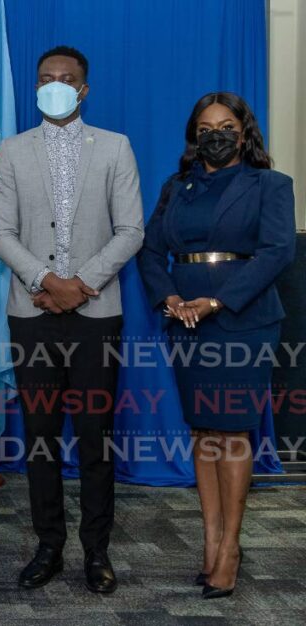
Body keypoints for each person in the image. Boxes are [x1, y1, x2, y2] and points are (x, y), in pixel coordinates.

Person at [0, 46, 144, 594]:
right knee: (40, 436)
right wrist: (44, 282)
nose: (55, 85)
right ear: (36, 86)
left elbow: (131, 230)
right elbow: (0, 233)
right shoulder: (10, 150)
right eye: (46, 78)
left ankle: (97, 552)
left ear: (84, 89)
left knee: (96, 438)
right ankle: (48, 545)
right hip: (32, 313)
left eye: (66, 79)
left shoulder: (116, 148)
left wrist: (80, 285)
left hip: (95, 313)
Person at [138, 92, 296, 599]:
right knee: (202, 434)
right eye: (206, 127)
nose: (216, 134)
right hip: (185, 322)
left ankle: (231, 546)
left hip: (243, 321)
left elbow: (277, 252)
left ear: (244, 132)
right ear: (194, 135)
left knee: (231, 433)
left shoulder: (270, 184)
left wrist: (216, 302)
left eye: (226, 125)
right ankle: (209, 540)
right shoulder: (175, 187)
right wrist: (171, 300)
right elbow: (150, 251)